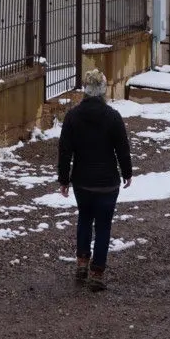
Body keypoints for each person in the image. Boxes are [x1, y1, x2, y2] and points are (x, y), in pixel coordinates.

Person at [57, 68, 133, 291]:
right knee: (103, 227)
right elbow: (122, 149)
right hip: (108, 182)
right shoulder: (113, 117)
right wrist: (127, 173)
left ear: (85, 90)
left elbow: (65, 151)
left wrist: (64, 179)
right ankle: (97, 273)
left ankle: (82, 262)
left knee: (84, 219)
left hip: (82, 181)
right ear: (102, 90)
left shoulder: (72, 117)